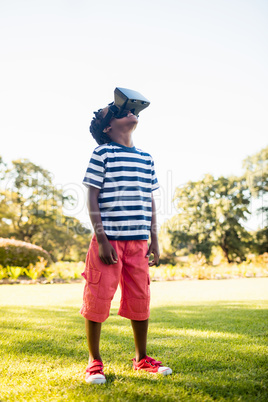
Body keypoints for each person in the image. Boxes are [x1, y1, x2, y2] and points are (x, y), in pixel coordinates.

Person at [80, 103, 172, 384]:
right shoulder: (102, 152)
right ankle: (94, 361)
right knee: (97, 298)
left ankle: (142, 359)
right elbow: (92, 196)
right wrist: (103, 239)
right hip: (108, 243)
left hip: (138, 243)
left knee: (140, 299)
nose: (129, 110)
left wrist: (154, 237)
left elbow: (150, 200)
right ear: (108, 127)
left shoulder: (146, 157)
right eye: (118, 110)